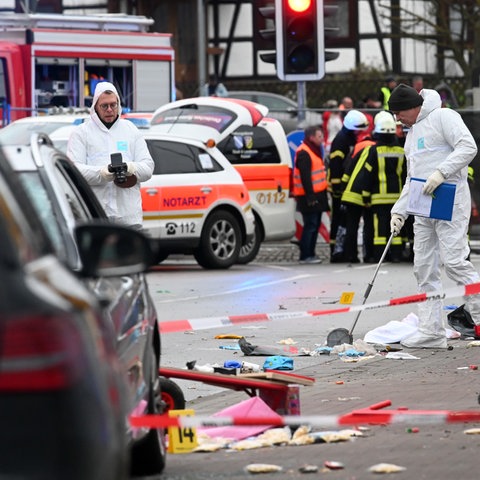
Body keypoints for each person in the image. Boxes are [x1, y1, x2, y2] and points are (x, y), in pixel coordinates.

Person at [388, 83, 480, 348]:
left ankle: (478, 315)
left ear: (412, 107)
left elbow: (467, 147)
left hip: (450, 202)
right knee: (424, 267)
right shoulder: (411, 133)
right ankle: (431, 330)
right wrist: (399, 211)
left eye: (399, 113)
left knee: (454, 262)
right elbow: (411, 178)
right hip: (422, 206)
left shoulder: (444, 116)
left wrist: (441, 172)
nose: (398, 119)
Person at [67, 81, 154, 230]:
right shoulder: (81, 133)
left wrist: (130, 168)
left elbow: (148, 168)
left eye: (113, 105)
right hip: (95, 217)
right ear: (95, 106)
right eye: (104, 106)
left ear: (118, 104)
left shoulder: (131, 130)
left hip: (128, 218)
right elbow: (74, 171)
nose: (109, 110)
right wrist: (101, 173)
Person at [343, 111, 406, 263]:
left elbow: (368, 174)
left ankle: (379, 256)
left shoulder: (374, 150)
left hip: (378, 198)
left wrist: (365, 196)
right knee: (396, 226)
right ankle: (397, 255)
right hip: (396, 197)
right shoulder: (401, 151)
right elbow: (405, 175)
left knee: (380, 228)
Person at [327, 109, 369, 262]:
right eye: (359, 129)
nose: (360, 133)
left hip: (344, 187)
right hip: (339, 188)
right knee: (338, 220)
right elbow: (336, 166)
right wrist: (338, 188)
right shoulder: (341, 141)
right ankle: (336, 251)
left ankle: (342, 251)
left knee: (343, 220)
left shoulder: (349, 138)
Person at [292, 125, 329, 264]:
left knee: (314, 225)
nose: (322, 139)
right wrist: (310, 196)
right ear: (311, 137)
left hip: (316, 195)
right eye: (319, 136)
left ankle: (310, 253)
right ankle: (306, 255)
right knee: (311, 225)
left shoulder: (313, 150)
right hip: (308, 196)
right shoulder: (304, 152)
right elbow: (305, 177)